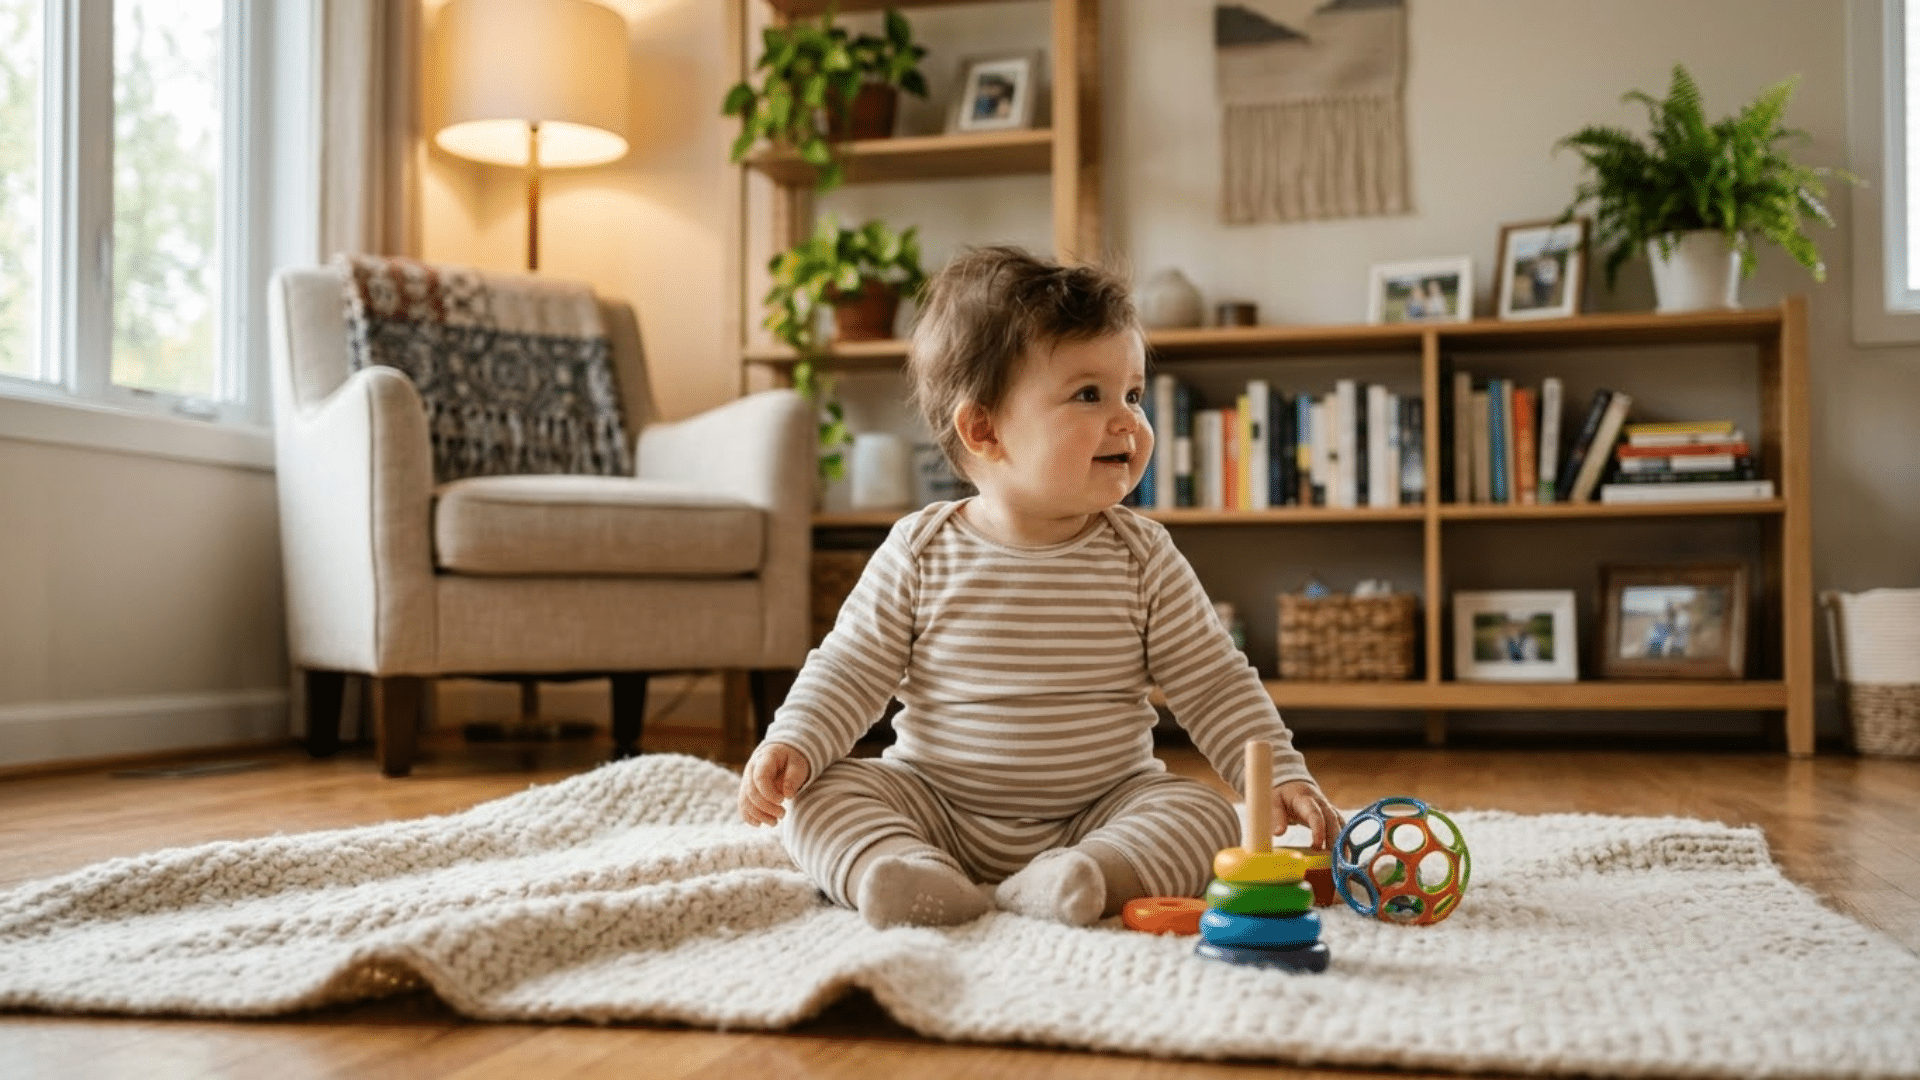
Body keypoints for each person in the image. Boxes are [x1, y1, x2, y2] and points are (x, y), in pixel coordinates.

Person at [738, 246, 1343, 930]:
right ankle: (906, 870)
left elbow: (1213, 681)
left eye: (1134, 394)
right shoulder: (920, 549)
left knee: (1203, 814)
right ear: (985, 429)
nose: (1128, 421)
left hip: (1102, 809)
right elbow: (850, 666)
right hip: (935, 803)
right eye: (1090, 394)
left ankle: (1083, 876)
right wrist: (795, 741)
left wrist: (1279, 774)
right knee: (820, 798)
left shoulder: (1143, 555)